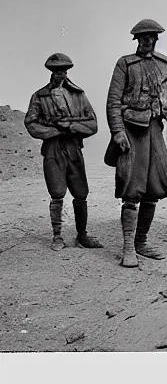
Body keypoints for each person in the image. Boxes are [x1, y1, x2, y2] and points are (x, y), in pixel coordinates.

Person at [104, 19, 167, 268]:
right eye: (142, 37)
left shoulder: (164, 64)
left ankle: (141, 242)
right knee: (132, 185)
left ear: (156, 38)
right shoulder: (125, 64)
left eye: (150, 36)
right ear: (136, 40)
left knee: (157, 183)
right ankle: (128, 247)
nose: (146, 41)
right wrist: (118, 132)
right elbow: (113, 102)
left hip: (155, 129)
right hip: (131, 132)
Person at [24, 53, 101, 251]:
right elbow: (31, 124)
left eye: (64, 71)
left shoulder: (78, 95)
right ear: (51, 72)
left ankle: (82, 235)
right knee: (57, 193)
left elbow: (92, 124)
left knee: (81, 192)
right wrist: (55, 131)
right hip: (52, 149)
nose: (61, 74)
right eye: (57, 71)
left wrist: (71, 127)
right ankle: (57, 236)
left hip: (74, 148)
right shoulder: (40, 96)